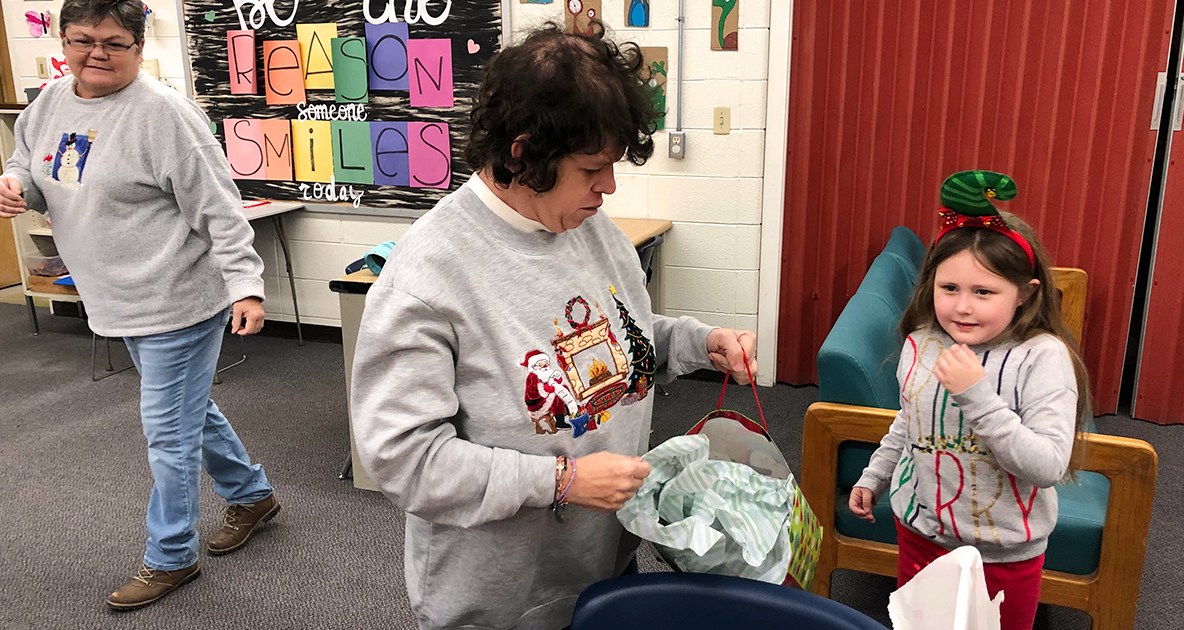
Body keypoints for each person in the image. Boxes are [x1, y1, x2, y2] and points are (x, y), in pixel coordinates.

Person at [350, 22, 758, 630]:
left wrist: (701, 343)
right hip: (500, 600)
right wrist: (560, 481)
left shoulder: (588, 228)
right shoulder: (429, 278)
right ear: (524, 154)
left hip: (603, 562)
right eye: (593, 167)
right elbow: (405, 460)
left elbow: (624, 339)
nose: (610, 186)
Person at [0, 0, 280, 610]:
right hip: (114, 296)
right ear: (62, 40)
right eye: (81, 40)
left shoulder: (163, 115)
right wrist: (17, 182)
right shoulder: (51, 101)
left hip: (174, 298)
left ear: (137, 44)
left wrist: (247, 285)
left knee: (167, 434)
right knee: (187, 411)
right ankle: (253, 495)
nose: (94, 53)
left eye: (112, 42)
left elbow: (219, 206)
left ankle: (172, 556)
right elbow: (27, 157)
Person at [848, 170, 1093, 630]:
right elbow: (910, 419)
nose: (963, 306)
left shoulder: (1041, 358)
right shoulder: (923, 342)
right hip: (921, 534)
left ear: (1024, 293)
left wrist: (976, 395)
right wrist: (875, 475)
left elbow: (1047, 466)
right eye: (949, 289)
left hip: (1002, 552)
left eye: (984, 292)